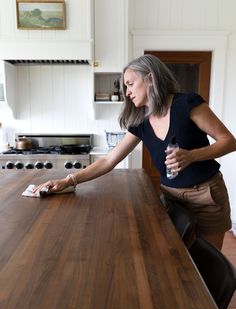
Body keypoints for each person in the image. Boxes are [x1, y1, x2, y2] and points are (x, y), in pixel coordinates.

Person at [34, 54, 236, 250]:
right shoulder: (141, 122)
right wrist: (68, 181)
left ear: (150, 78)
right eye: (125, 87)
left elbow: (229, 141)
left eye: (130, 84)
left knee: (207, 267)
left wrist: (192, 156)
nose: (127, 92)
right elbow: (108, 161)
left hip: (206, 196)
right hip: (171, 197)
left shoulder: (187, 104)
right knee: (177, 262)